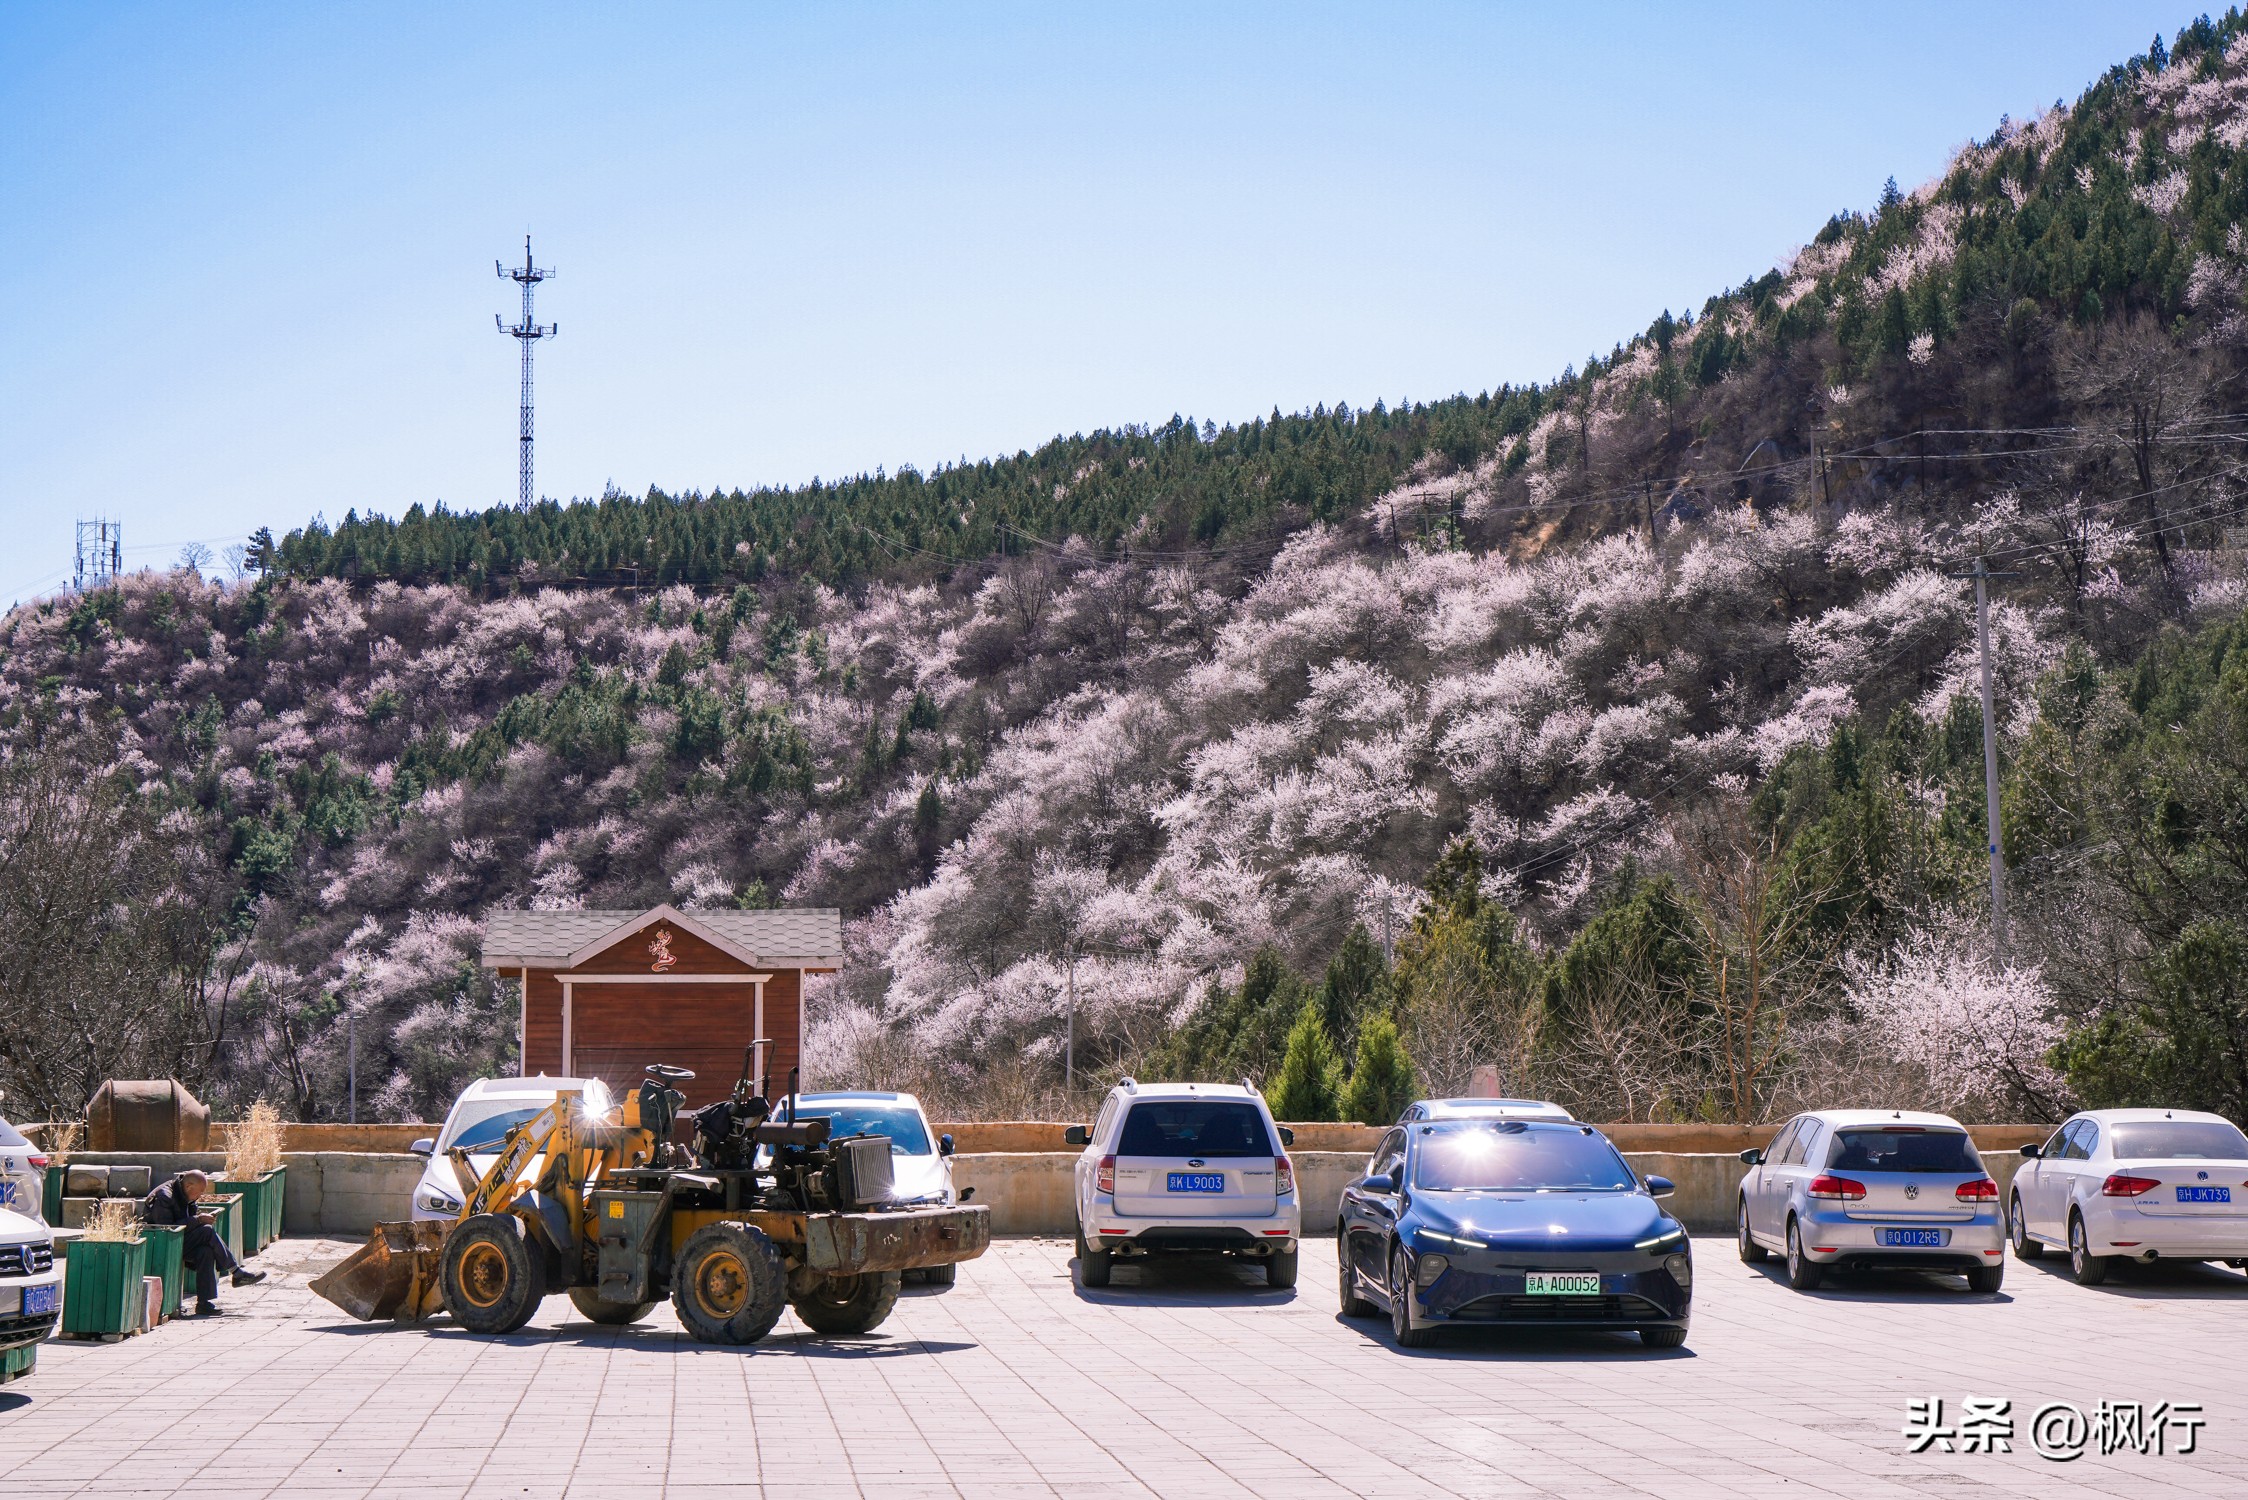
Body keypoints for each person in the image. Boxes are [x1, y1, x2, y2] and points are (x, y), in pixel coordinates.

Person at [141, 1169, 265, 1316]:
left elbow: (191, 1218)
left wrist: (200, 1218)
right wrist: (199, 1220)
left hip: (178, 1241)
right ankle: (236, 1272)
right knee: (206, 1231)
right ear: (189, 1187)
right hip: (162, 1244)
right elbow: (167, 1228)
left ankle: (204, 1304)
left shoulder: (185, 1194)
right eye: (199, 1192)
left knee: (205, 1251)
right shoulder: (165, 1196)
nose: (200, 1196)